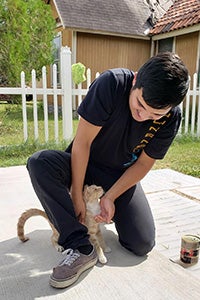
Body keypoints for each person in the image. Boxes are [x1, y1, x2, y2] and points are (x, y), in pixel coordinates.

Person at [27, 52, 189, 289]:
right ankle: (80, 245)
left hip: (118, 174)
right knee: (39, 162)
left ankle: (96, 218)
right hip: (82, 161)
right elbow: (82, 144)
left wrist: (111, 196)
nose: (144, 116)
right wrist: (76, 197)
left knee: (142, 244)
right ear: (135, 81)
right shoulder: (111, 84)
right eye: (140, 105)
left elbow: (144, 164)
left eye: (155, 114)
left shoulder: (171, 118)